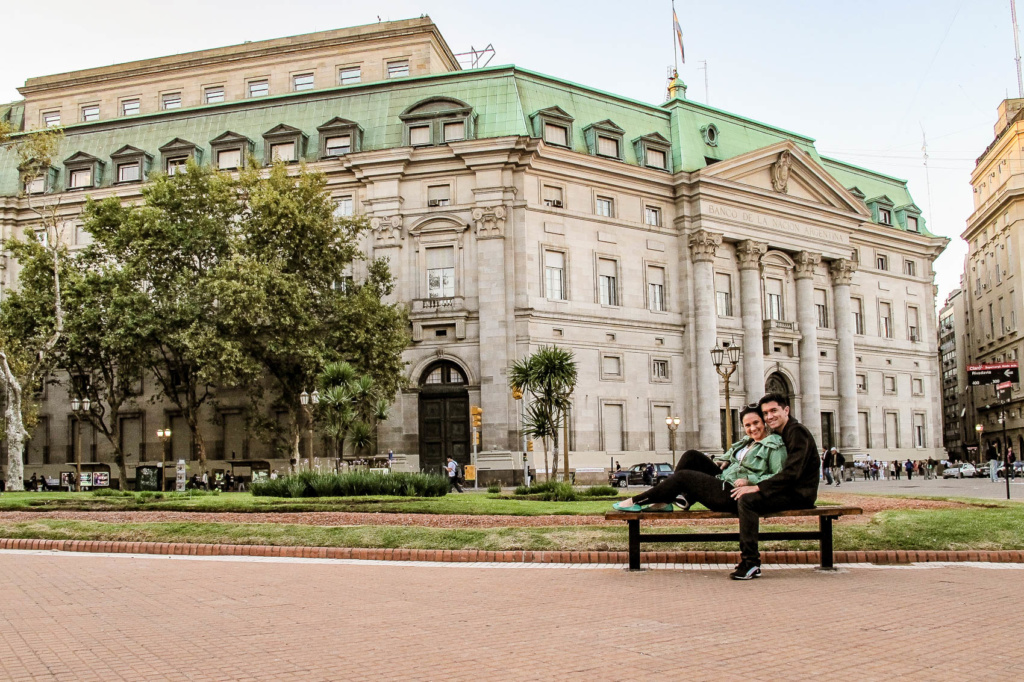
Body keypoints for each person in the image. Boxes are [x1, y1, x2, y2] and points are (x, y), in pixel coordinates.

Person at [613, 401, 793, 580]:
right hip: (723, 480)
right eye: (747, 425)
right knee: (691, 455)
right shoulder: (746, 443)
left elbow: (777, 477)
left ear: (764, 423)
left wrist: (749, 480)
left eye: (756, 423)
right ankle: (669, 501)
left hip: (733, 493)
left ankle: (638, 501)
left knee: (684, 476)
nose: (752, 428)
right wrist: (724, 461)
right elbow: (729, 458)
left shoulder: (775, 445)